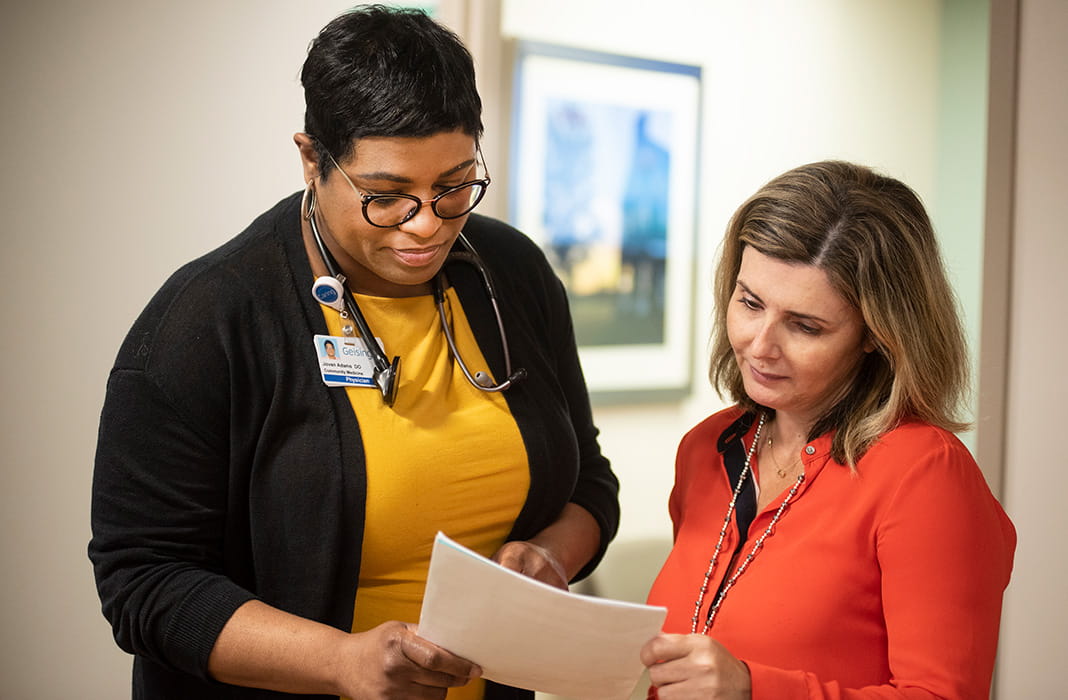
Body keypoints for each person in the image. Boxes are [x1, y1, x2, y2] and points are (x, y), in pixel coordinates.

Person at [88, 6, 618, 700]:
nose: (428, 225)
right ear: (313, 159)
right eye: (387, 197)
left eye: (454, 185)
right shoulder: (206, 324)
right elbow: (146, 582)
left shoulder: (510, 276)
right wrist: (341, 662)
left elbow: (589, 484)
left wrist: (550, 558)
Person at [640, 161, 1015, 699]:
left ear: (876, 335)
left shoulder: (926, 473)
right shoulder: (706, 448)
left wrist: (753, 689)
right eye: (749, 303)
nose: (760, 345)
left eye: (805, 325)